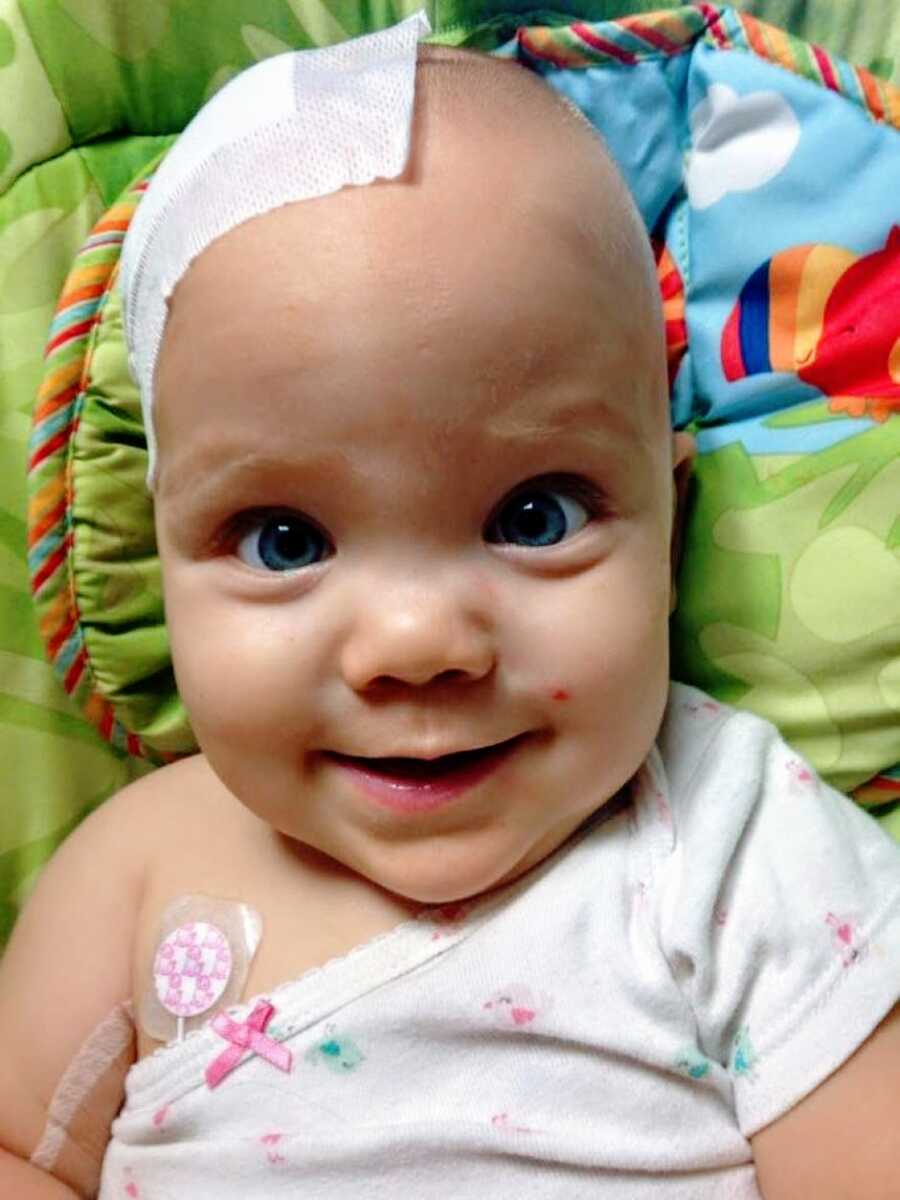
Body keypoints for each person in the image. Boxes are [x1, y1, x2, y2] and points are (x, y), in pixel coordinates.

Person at [1, 17, 898, 1200]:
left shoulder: (739, 846)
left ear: (670, 528)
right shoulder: (132, 868)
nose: (417, 646)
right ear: (159, 557)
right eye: (286, 541)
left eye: (535, 517)